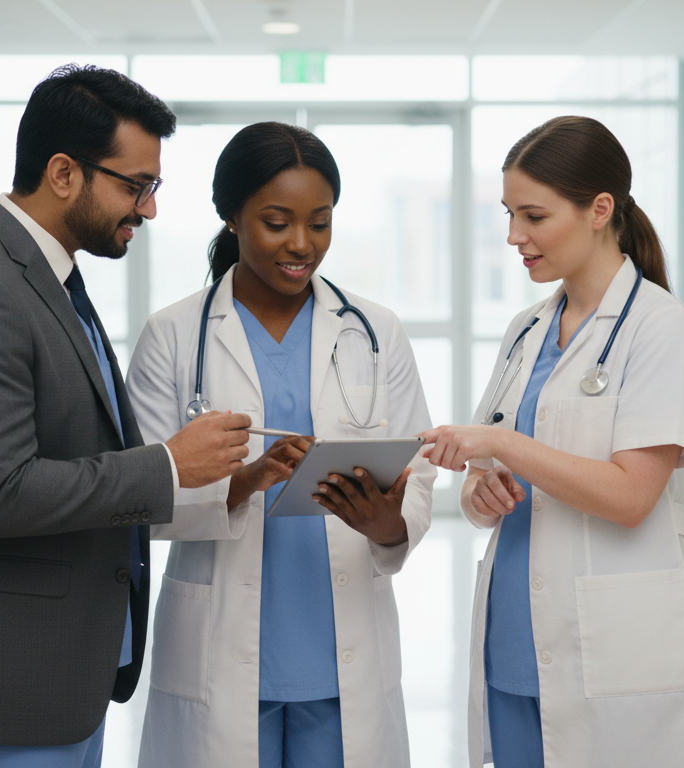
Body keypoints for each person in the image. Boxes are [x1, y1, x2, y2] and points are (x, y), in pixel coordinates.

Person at [0, 65, 252, 768]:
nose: (148, 210)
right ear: (62, 173)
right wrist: (169, 464)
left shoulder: (51, 276)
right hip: (8, 683)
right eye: (136, 186)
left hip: (61, 672)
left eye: (154, 187)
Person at [125, 122, 437, 768]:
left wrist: (389, 524)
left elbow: (420, 469)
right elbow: (137, 497)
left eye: (319, 223)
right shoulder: (174, 336)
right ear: (231, 216)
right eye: (276, 222)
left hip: (341, 645)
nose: (301, 244)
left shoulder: (375, 333)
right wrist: (245, 479)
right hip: (220, 648)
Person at [420, 116, 684, 768]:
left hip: (611, 647)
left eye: (533, 215)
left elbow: (632, 496)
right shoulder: (527, 330)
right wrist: (481, 490)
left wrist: (504, 446)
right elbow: (479, 489)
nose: (513, 236)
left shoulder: (662, 328)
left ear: (599, 210)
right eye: (508, 214)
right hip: (513, 637)